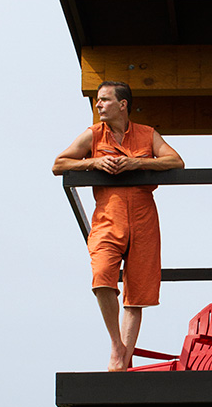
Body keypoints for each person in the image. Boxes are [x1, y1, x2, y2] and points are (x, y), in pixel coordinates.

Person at [52, 81, 184, 371]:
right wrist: (94, 163)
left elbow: (176, 161)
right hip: (107, 217)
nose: (98, 105)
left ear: (122, 105)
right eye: (98, 100)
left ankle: (120, 364)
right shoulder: (93, 135)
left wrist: (137, 164)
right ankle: (116, 344)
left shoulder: (147, 134)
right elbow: (59, 164)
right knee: (101, 276)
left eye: (104, 100)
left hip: (143, 216)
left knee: (137, 293)